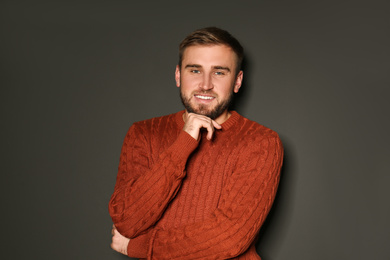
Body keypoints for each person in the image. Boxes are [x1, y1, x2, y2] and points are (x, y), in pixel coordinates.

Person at [108, 27, 284, 259]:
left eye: (219, 72)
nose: (205, 84)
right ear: (178, 75)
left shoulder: (261, 142)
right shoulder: (143, 133)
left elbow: (227, 238)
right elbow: (126, 221)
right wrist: (185, 142)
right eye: (195, 70)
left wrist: (140, 246)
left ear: (237, 81)